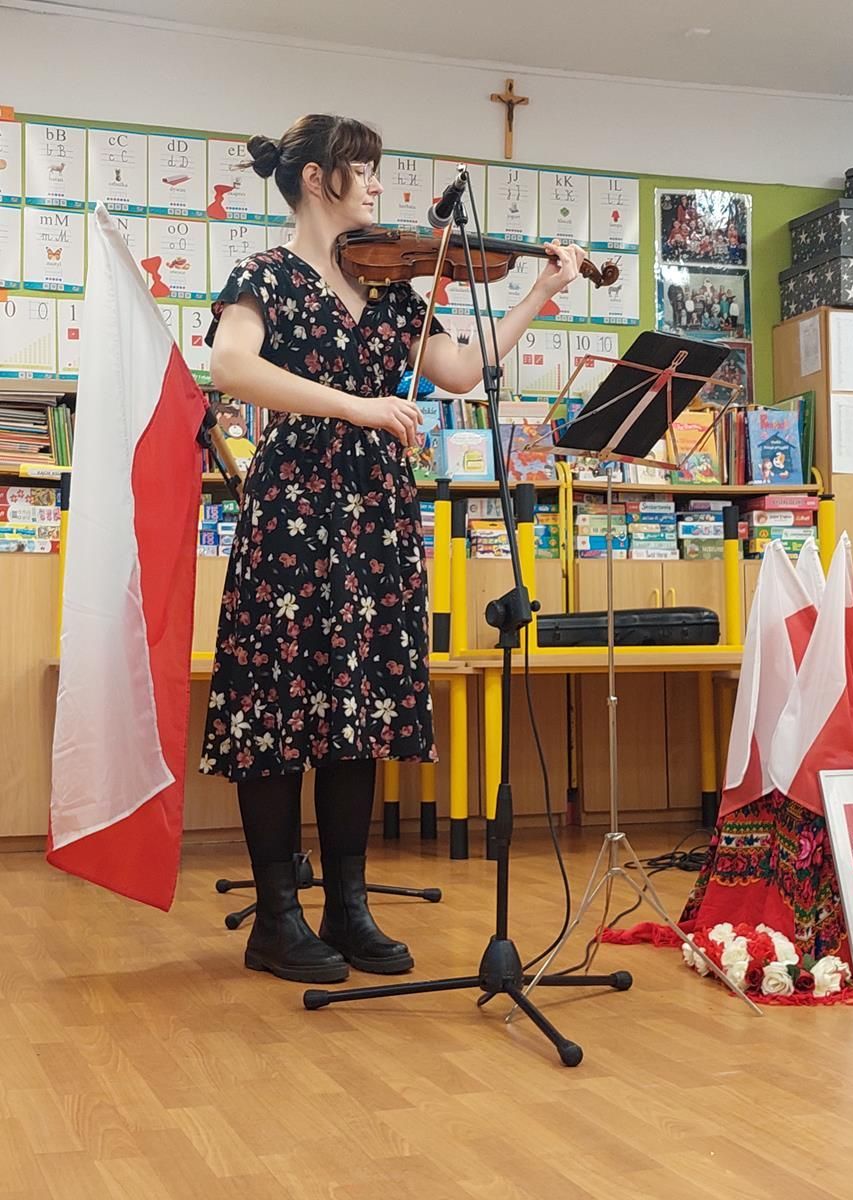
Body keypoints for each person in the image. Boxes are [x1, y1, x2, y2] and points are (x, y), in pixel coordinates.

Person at [199, 113, 584, 984]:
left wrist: (538, 292)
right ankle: (278, 919)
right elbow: (230, 368)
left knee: (357, 709)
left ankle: (348, 907)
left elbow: (461, 370)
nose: (377, 184)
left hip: (374, 516)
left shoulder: (391, 289)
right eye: (363, 169)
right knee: (277, 709)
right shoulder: (266, 275)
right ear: (315, 179)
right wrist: (358, 405)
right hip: (294, 514)